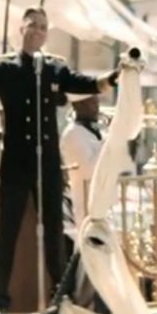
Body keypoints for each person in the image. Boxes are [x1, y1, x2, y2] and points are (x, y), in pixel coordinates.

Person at [0, 7, 120, 314]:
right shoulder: (6, 68)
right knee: (7, 231)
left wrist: (114, 77)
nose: (37, 31)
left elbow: (85, 84)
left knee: (54, 229)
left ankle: (60, 297)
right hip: (16, 162)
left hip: (47, 162)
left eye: (42, 27)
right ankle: (1, 299)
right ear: (21, 29)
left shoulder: (53, 68)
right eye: (32, 25)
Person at [60, 93, 104, 241]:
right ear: (78, 105)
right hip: (86, 209)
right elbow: (87, 171)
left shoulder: (91, 130)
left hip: (101, 205)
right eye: (91, 102)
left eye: (97, 101)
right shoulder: (73, 134)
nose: (97, 107)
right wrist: (109, 142)